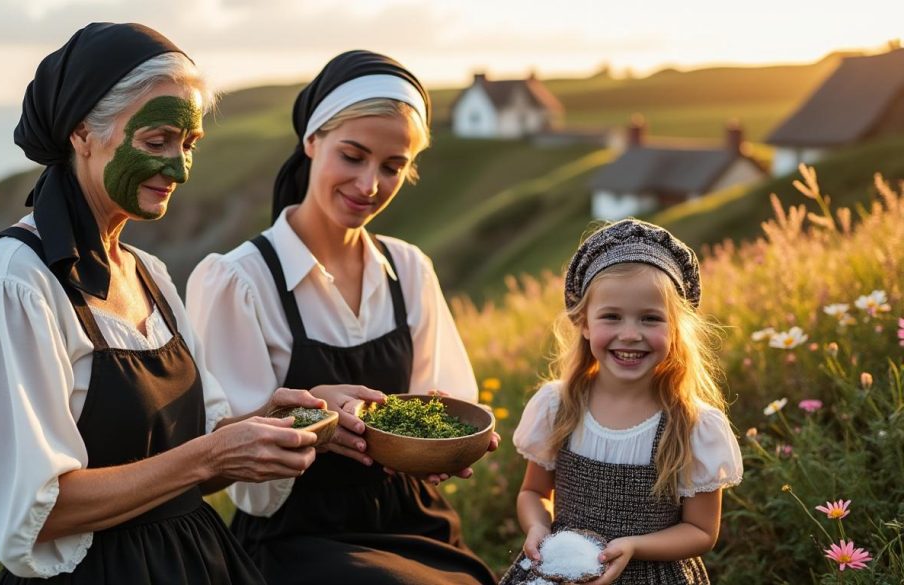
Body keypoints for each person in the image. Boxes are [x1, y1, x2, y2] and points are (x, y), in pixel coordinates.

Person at [0, 22, 322, 584]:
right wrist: (211, 456)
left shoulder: (150, 274)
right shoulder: (15, 284)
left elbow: (201, 455)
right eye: (157, 142)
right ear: (82, 133)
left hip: (196, 560)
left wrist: (284, 420)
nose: (178, 168)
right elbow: (37, 511)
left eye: (188, 145)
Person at [186, 50, 497, 584]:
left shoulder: (408, 269)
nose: (370, 185)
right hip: (298, 541)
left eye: (393, 166)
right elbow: (228, 465)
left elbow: (443, 403)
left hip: (415, 523)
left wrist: (442, 447)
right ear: (311, 141)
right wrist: (310, 420)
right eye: (352, 156)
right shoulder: (239, 280)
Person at [499, 219, 743, 585]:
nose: (630, 335)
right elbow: (534, 492)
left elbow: (701, 530)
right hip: (560, 570)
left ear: (676, 328)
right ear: (583, 322)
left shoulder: (692, 425)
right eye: (611, 317)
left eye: (650, 319)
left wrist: (634, 547)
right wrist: (537, 527)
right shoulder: (559, 406)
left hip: (653, 575)